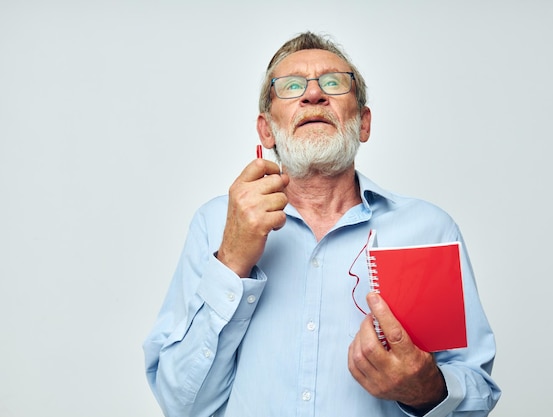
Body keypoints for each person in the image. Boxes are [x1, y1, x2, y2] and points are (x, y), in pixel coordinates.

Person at [143, 31, 501, 417]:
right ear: (266, 130)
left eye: (333, 82)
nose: (313, 95)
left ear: (363, 123)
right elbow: (181, 403)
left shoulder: (429, 229)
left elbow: (475, 392)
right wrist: (231, 259)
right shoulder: (215, 224)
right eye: (292, 86)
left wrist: (425, 388)